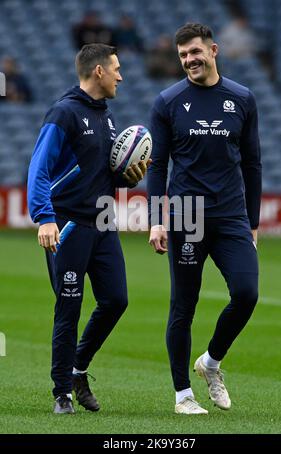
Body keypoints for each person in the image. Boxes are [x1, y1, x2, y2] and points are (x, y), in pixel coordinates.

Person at [27, 43, 148, 414]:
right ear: (98, 72)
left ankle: (78, 369)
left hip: (103, 223)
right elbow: (38, 168)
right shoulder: (63, 113)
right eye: (116, 69)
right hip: (69, 227)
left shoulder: (107, 116)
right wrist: (44, 217)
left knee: (116, 300)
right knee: (69, 307)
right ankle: (61, 392)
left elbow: (101, 172)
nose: (121, 76)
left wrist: (128, 177)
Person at [148, 23, 261, 414]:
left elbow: (253, 163)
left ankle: (211, 362)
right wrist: (156, 219)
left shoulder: (242, 98)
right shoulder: (167, 102)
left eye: (195, 52)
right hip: (187, 217)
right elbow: (157, 165)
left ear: (213, 50)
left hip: (231, 216)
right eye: (182, 56)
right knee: (184, 306)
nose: (189, 60)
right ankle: (183, 395)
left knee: (247, 293)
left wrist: (254, 222)